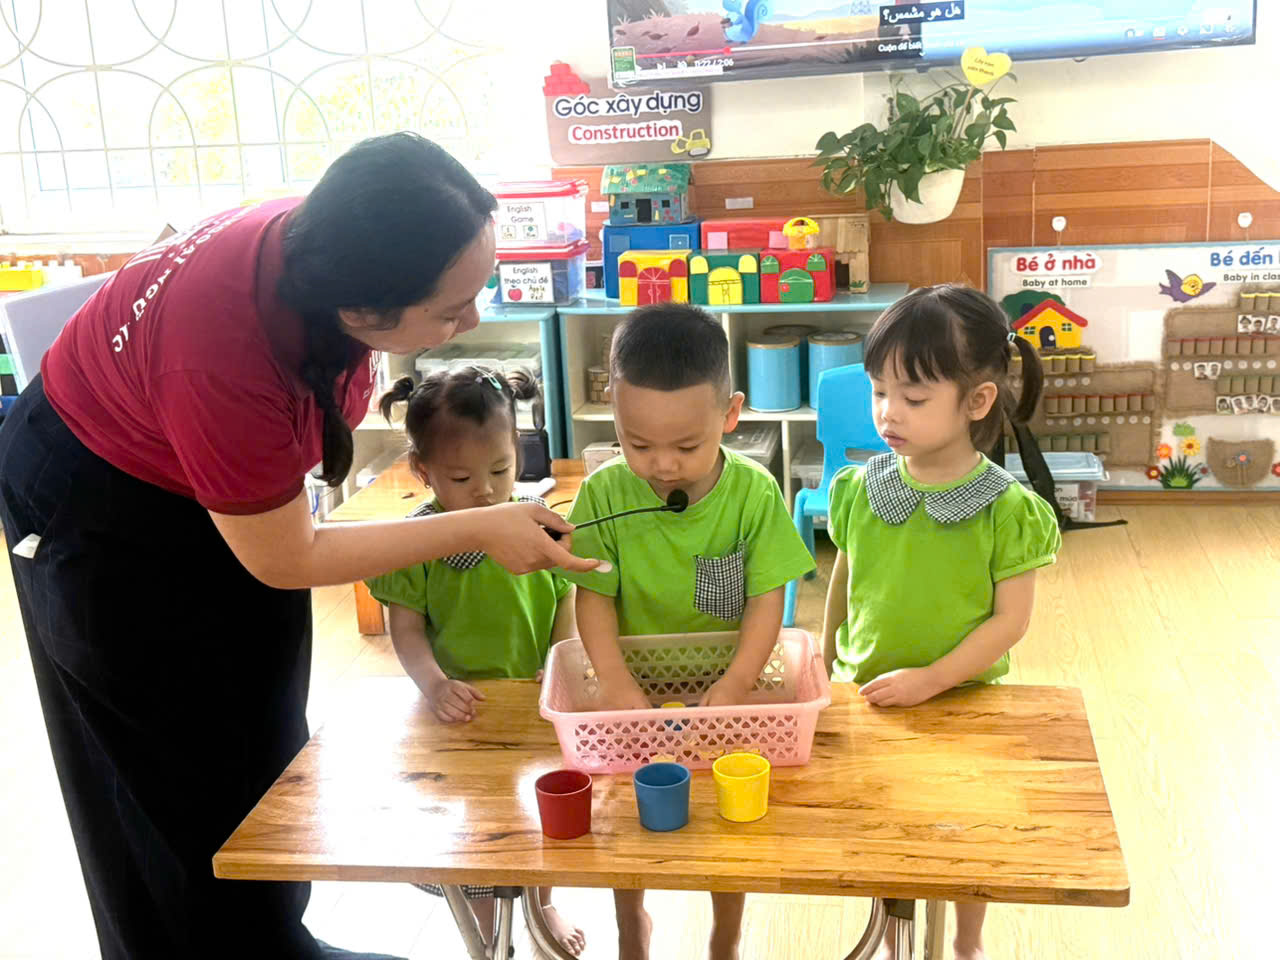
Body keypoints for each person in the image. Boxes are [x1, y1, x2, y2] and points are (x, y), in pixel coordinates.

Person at [0, 133, 601, 960]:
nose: (473, 318)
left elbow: (276, 543)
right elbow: (285, 559)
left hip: (193, 474)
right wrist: (475, 526)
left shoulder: (325, 244)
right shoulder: (222, 358)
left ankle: (270, 934)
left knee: (261, 730)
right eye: (451, 308)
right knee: (169, 775)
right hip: (98, 507)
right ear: (362, 311)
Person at [561, 303, 815, 960]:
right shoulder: (605, 493)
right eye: (639, 444)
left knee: (729, 818)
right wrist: (616, 685)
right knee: (625, 818)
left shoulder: (753, 493)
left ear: (730, 415)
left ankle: (726, 933)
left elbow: (767, 598)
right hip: (632, 689)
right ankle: (631, 924)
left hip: (727, 686)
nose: (663, 466)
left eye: (686, 446)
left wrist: (735, 683)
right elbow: (594, 598)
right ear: (613, 411)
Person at [820, 284, 1061, 960]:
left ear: (977, 402)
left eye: (914, 398)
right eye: (879, 391)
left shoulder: (1006, 508)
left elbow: (1009, 623)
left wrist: (931, 679)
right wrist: (824, 656)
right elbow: (846, 575)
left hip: (964, 699)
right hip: (869, 691)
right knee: (882, 821)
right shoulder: (860, 488)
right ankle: (891, 926)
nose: (887, 412)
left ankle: (966, 939)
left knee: (967, 831)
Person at [364, 367, 585, 957]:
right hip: (459, 712)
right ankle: (486, 925)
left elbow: (565, 597)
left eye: (501, 469)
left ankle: (542, 903)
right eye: (462, 478)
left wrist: (560, 662)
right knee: (475, 825)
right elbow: (405, 628)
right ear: (423, 471)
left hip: (534, 701)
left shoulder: (535, 520)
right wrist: (435, 685)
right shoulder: (417, 541)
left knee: (545, 813)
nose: (486, 491)